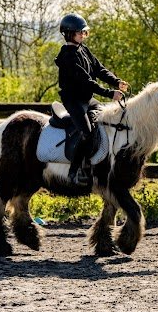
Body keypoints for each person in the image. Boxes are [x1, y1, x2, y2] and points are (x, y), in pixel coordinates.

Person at [55, 13, 128, 186]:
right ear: (69, 33)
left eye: (84, 32)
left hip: (87, 99)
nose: (83, 35)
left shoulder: (83, 49)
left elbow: (99, 69)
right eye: (79, 32)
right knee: (86, 133)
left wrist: (116, 82)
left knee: (108, 120)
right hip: (74, 101)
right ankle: (75, 171)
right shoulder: (67, 56)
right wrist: (110, 93)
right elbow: (86, 81)